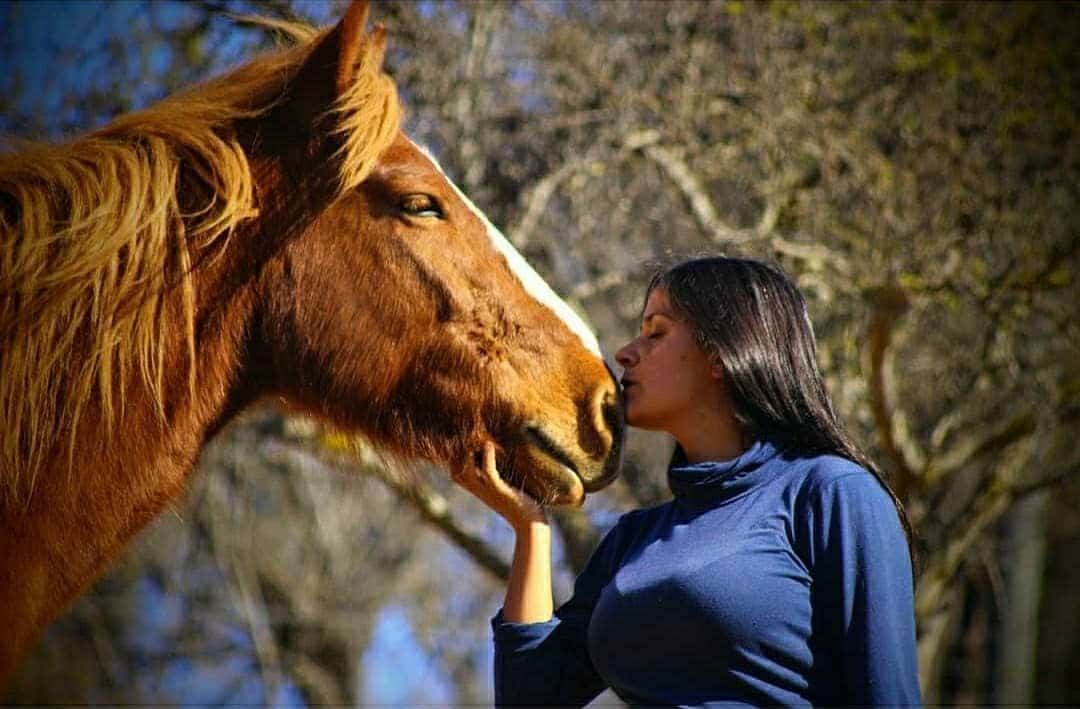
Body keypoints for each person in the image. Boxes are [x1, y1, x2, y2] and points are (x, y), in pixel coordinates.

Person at [452, 256, 922, 707]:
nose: (625, 354)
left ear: (720, 353)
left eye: (656, 332)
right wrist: (530, 529)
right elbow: (531, 696)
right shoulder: (634, 540)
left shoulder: (831, 495)